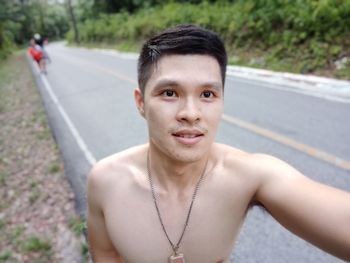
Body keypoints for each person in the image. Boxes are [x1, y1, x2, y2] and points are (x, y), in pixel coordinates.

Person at [87, 24, 350, 263]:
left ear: (222, 101)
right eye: (169, 93)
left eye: (207, 94)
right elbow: (106, 254)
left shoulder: (251, 176)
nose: (191, 113)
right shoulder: (105, 181)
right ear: (141, 103)